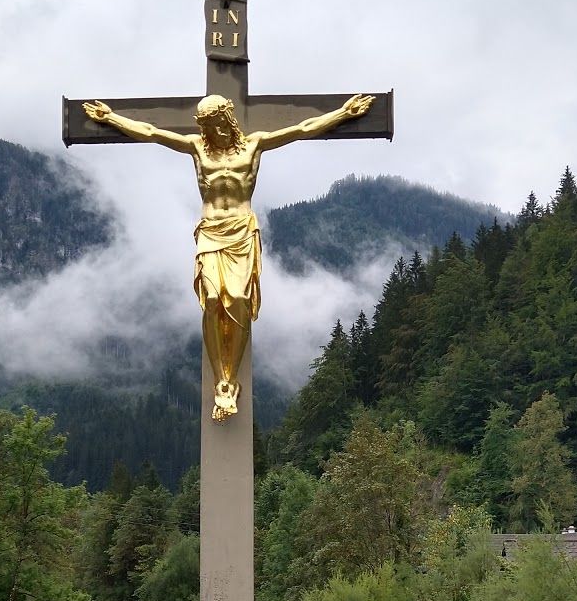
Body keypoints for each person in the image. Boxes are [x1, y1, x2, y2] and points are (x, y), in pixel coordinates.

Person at [83, 92, 375, 421]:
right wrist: (111, 118)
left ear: (228, 118)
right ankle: (222, 380)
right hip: (210, 231)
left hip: (241, 232)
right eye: (206, 125)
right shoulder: (197, 147)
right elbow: (151, 132)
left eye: (216, 123)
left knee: (236, 298)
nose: (212, 131)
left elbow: (303, 128)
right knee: (210, 299)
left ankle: (229, 374)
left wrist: (343, 113)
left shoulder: (255, 145)